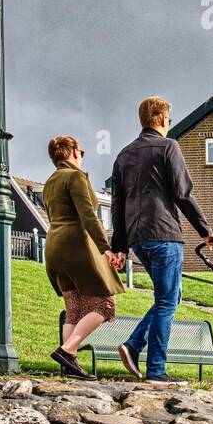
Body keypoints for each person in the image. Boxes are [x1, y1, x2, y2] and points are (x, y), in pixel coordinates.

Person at [111, 96, 213, 383]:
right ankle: (156, 368)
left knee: (170, 296)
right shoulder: (169, 146)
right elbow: (183, 193)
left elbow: (117, 205)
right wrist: (205, 230)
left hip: (137, 238)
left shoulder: (123, 154)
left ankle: (133, 346)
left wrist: (118, 246)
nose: (169, 123)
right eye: (168, 118)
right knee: (168, 301)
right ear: (161, 119)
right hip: (164, 234)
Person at [44, 135, 125, 380]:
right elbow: (88, 215)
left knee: (74, 309)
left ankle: (71, 366)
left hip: (53, 248)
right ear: (74, 153)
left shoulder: (49, 182)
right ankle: (68, 351)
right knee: (105, 304)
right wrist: (105, 247)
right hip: (75, 246)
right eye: (82, 151)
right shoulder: (75, 176)